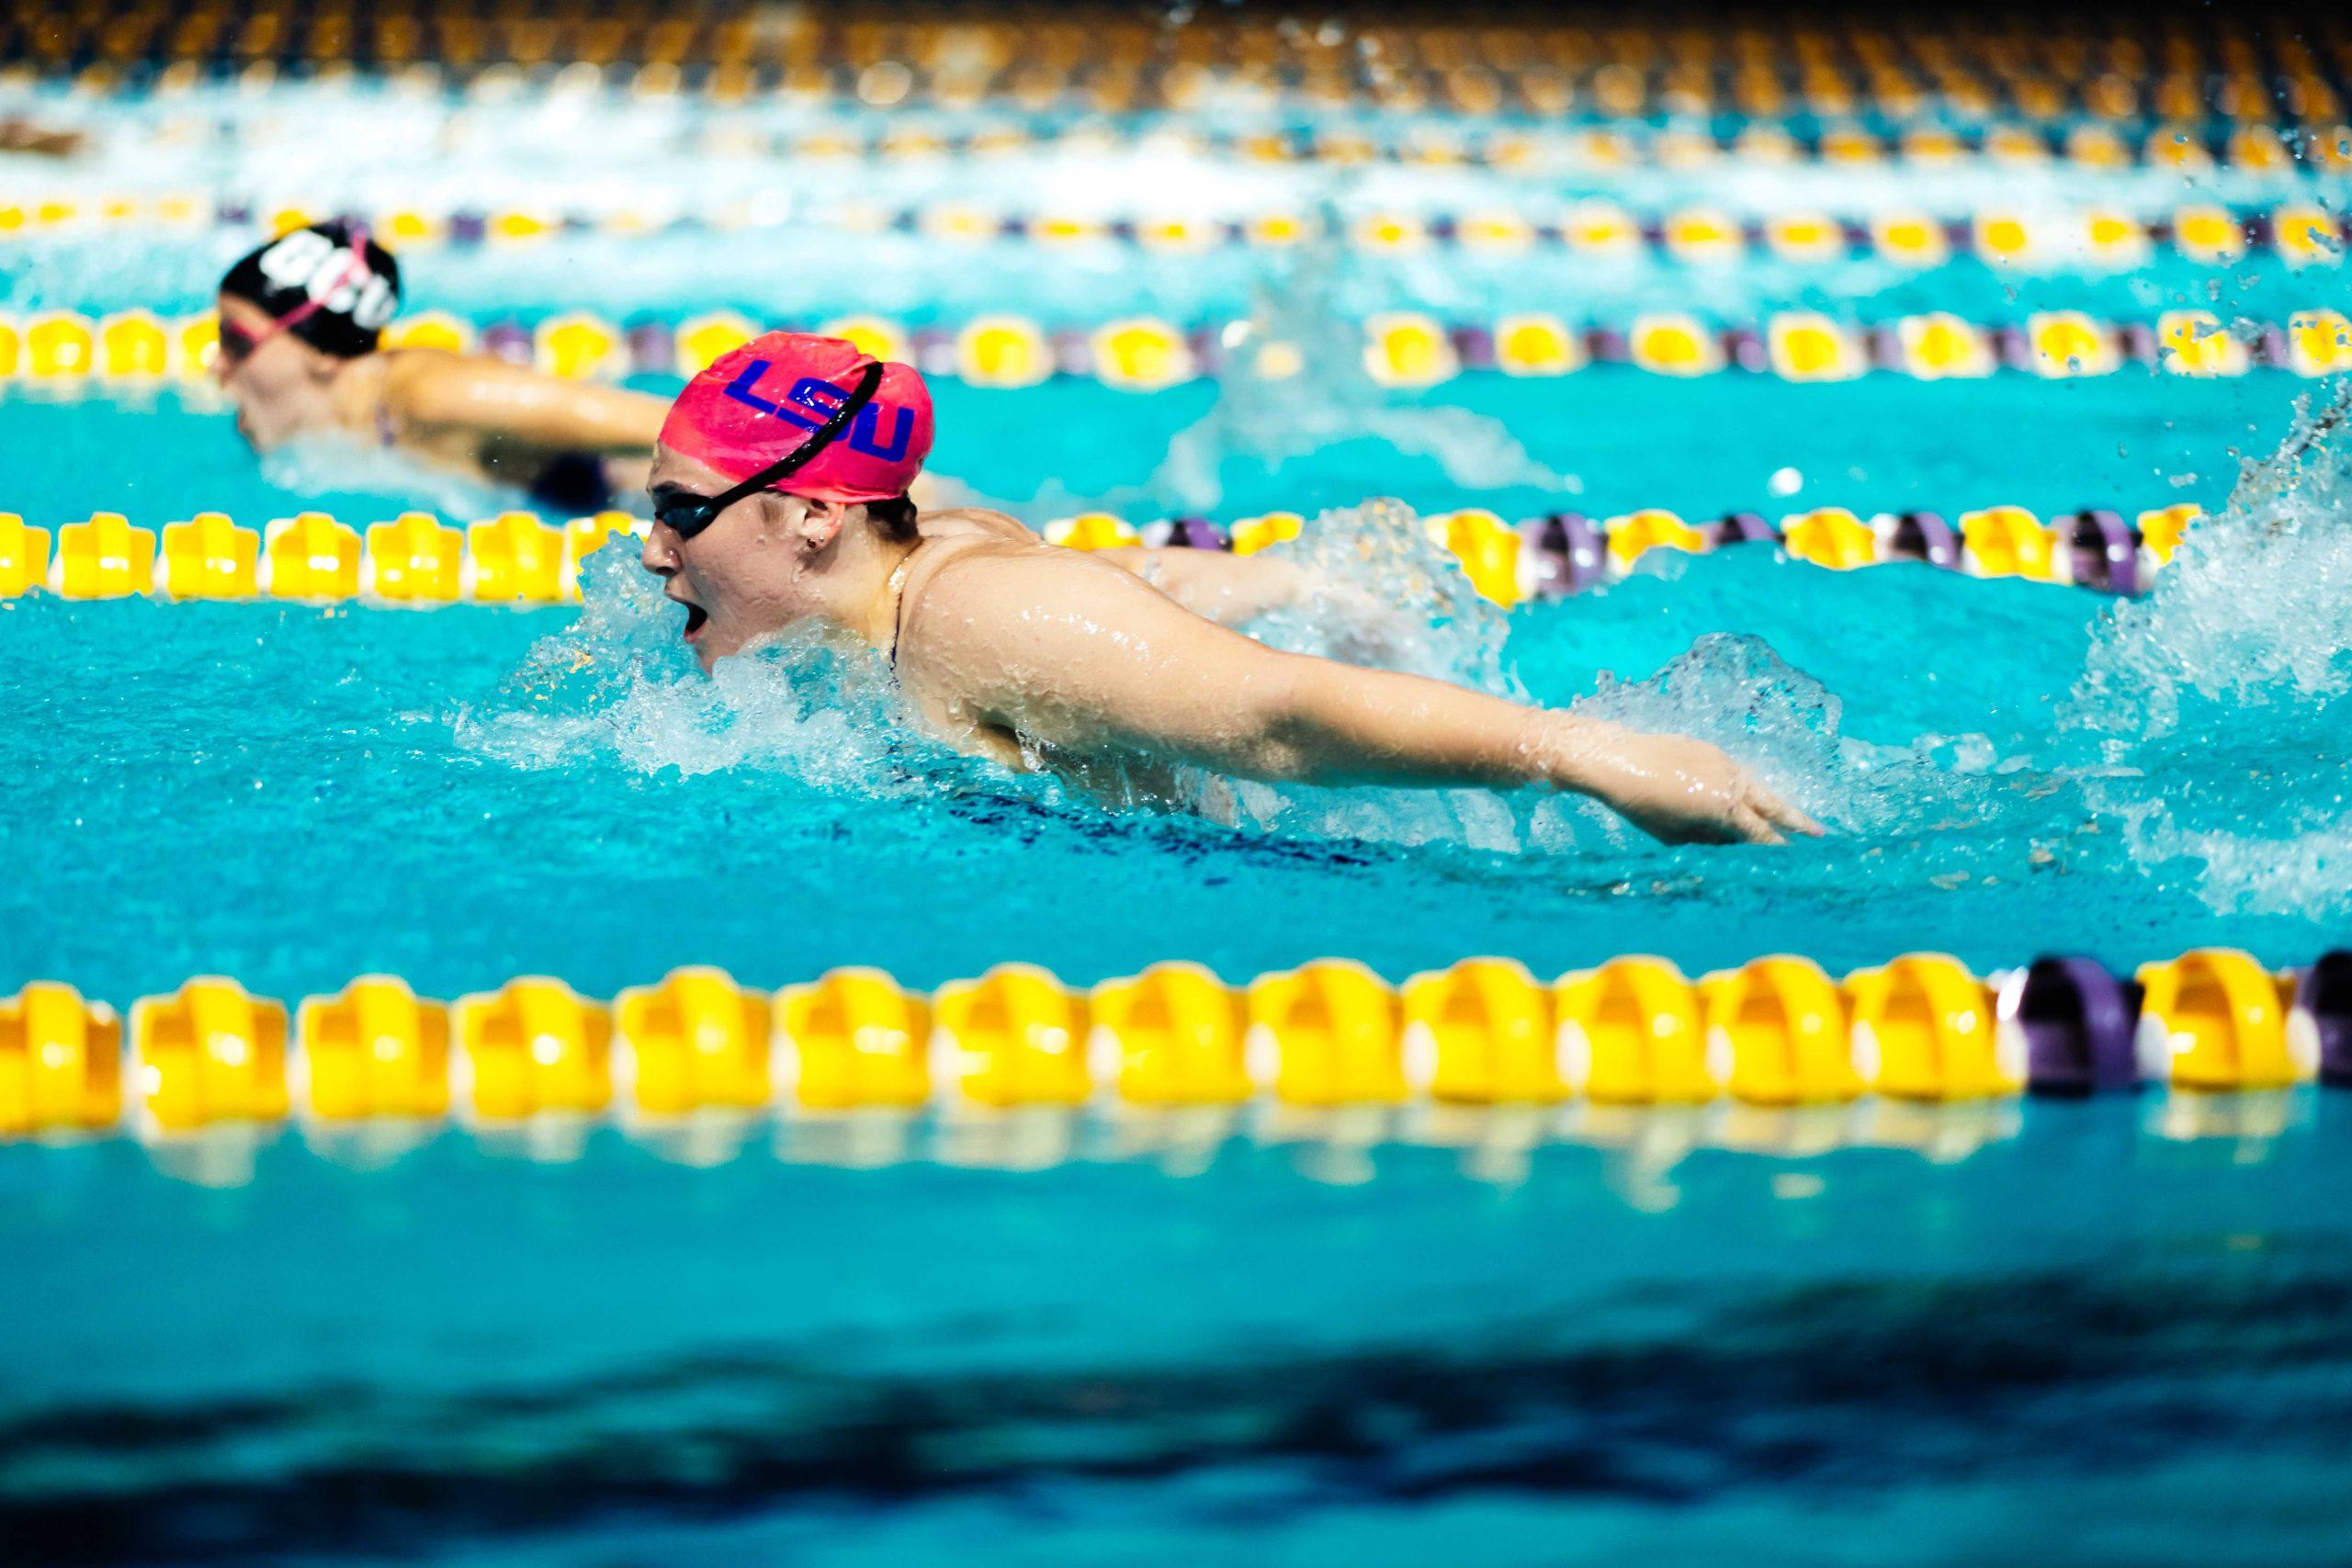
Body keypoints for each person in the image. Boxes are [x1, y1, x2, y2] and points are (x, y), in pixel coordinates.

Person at [640, 331, 1819, 845]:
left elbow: (1274, 717)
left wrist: (1592, 757)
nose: (653, 551)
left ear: (807, 520)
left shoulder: (967, 621)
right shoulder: (927, 565)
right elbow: (1105, 583)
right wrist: (1275, 580)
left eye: (680, 512)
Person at [213, 220, 670, 512]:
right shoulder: (321, 427)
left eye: (235, 340)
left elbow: (677, 426)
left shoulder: (432, 396)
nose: (216, 363)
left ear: (324, 355)